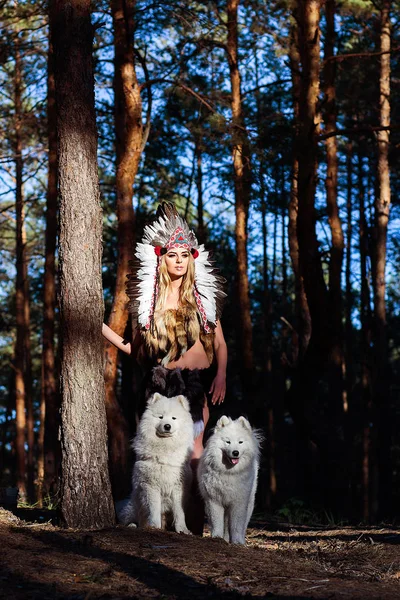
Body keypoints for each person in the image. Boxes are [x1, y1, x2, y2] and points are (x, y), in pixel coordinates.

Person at [102, 201, 228, 534]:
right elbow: (135, 349)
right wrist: (101, 329)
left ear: (192, 258)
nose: (179, 261)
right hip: (161, 385)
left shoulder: (202, 296)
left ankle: (198, 529)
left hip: (196, 384)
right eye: (173, 255)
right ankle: (161, 522)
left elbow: (220, 344)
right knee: (159, 458)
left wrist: (221, 375)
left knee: (195, 455)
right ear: (161, 257)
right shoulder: (149, 301)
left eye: (185, 255)